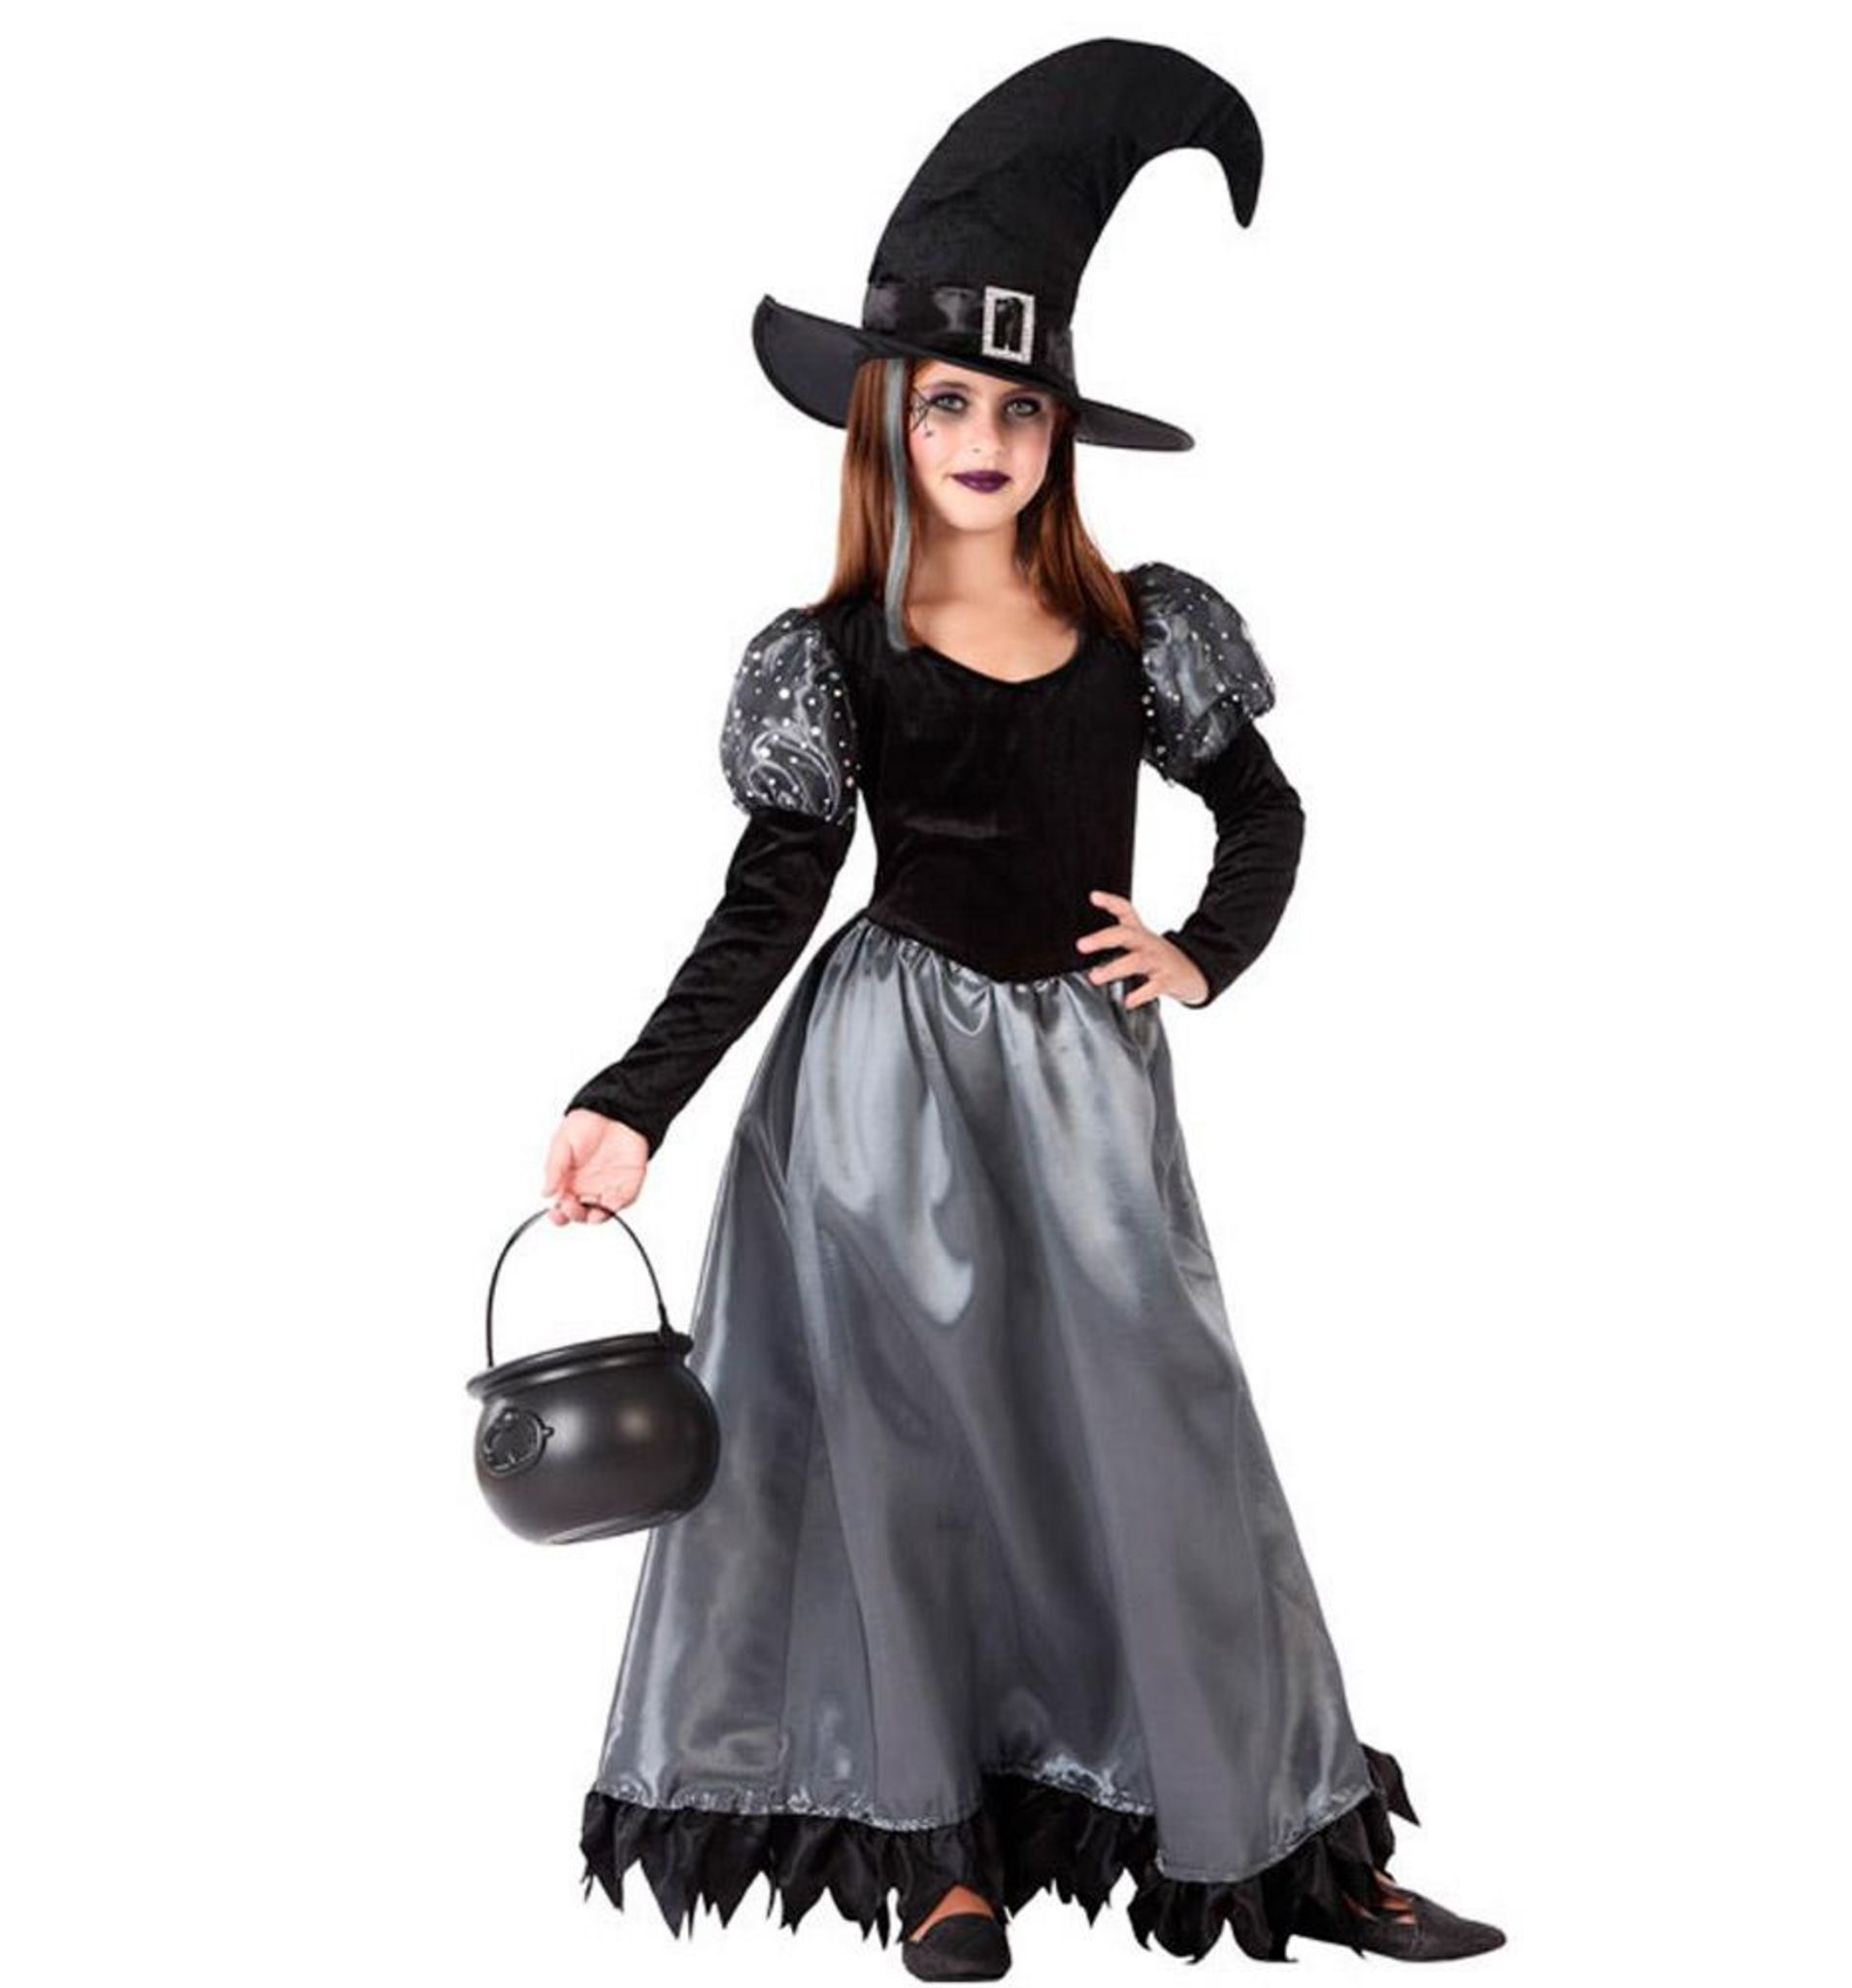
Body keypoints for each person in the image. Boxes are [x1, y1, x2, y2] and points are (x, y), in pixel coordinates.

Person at [543, 39, 1505, 1979]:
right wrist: (630, 1099)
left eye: (1019, 404)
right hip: (872, 1095)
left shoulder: (1139, 632)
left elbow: (1264, 808)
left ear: (1059, 428)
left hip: (1082, 1089)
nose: (984, 434)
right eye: (948, 401)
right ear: (888, 421)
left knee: (1167, 1434)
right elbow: (770, 897)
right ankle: (938, 1849)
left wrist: (1202, 950)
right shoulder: (835, 654)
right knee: (897, 1457)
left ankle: (1284, 1837)